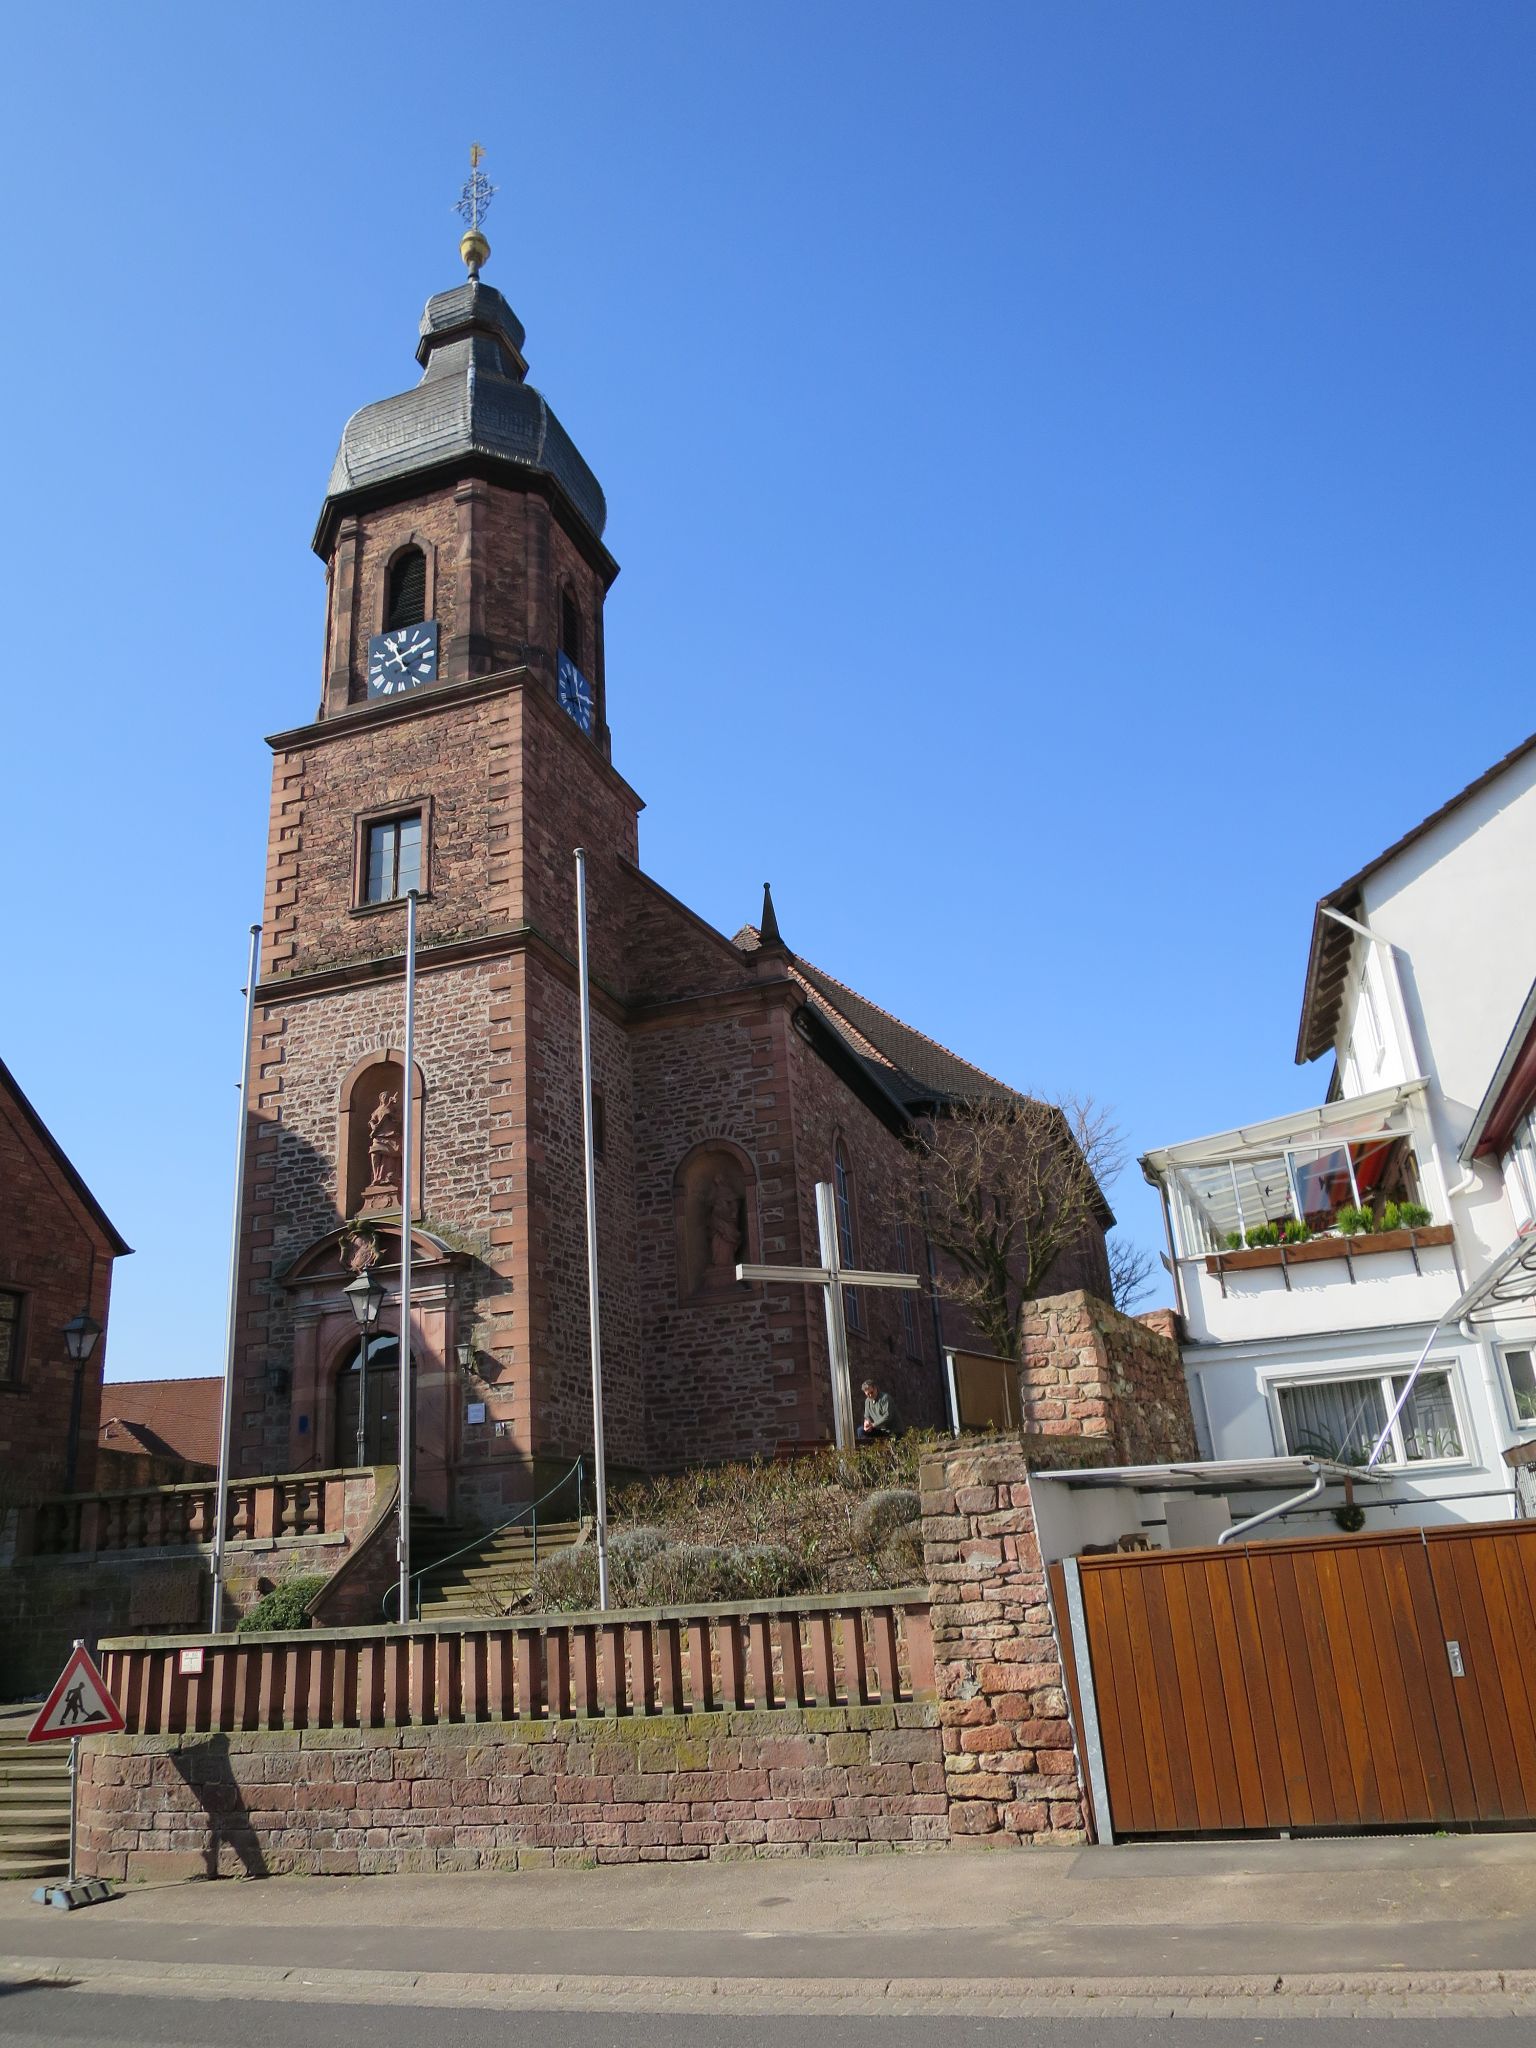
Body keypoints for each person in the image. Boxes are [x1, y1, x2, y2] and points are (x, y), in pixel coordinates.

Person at [858, 1379, 897, 1443]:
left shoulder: (885, 1398)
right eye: (868, 1394)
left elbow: (888, 1416)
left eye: (871, 1392)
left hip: (891, 1430)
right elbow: (867, 1416)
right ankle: (867, 1448)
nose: (870, 1395)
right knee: (861, 1430)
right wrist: (866, 1424)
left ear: (875, 1389)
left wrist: (873, 1425)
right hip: (879, 1429)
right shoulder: (867, 1401)